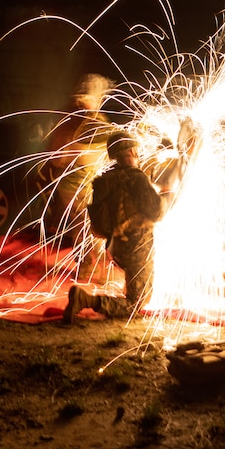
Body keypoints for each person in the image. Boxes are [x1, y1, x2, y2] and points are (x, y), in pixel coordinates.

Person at [62, 131, 176, 322]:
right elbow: (156, 212)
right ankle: (85, 300)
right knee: (137, 302)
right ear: (132, 150)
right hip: (137, 246)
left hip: (115, 246)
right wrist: (168, 194)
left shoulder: (104, 180)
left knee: (136, 284)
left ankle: (125, 290)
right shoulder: (136, 178)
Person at [43, 73, 115, 239]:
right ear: (97, 97)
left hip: (65, 185)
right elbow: (117, 143)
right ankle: (87, 262)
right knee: (90, 232)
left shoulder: (66, 116)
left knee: (78, 227)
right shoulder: (94, 121)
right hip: (83, 189)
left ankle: (80, 255)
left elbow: (57, 159)